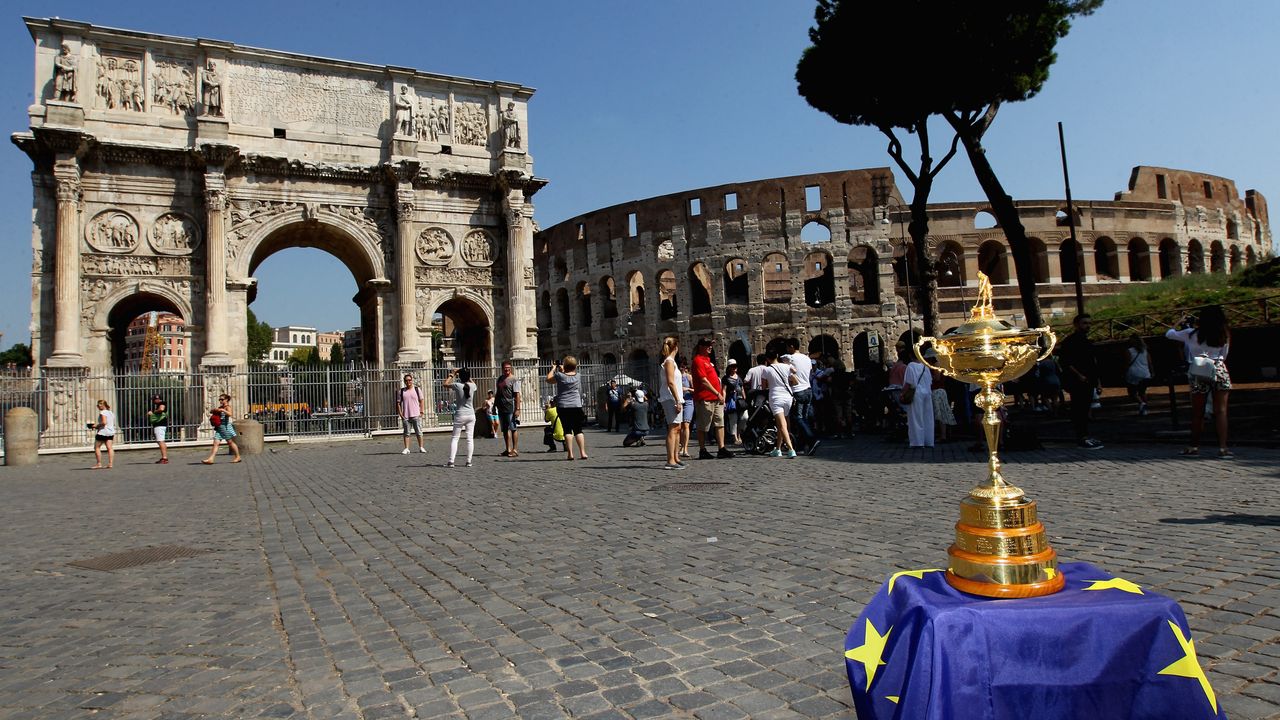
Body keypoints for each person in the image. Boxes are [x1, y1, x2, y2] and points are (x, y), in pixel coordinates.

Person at [1166, 306, 1233, 458]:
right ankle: (1223, 448)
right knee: (1221, 411)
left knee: (1198, 412)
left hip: (1198, 370)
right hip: (1219, 368)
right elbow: (1225, 354)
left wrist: (1179, 322)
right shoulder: (1224, 334)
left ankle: (1194, 446)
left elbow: (1169, 334)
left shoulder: (1191, 334)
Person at [1056, 314, 1104, 450]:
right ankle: (1081, 436)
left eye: (1089, 323)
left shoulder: (1088, 342)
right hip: (1077, 381)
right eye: (1084, 323)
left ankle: (1085, 435)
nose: (1088, 326)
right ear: (1076, 324)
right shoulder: (1070, 342)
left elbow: (1093, 363)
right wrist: (1079, 375)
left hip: (1089, 380)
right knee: (1079, 409)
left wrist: (1098, 382)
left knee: (1086, 408)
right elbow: (1066, 361)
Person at [691, 337, 734, 459]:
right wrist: (717, 393)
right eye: (707, 345)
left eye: (711, 345)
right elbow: (703, 381)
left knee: (720, 423)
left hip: (716, 398)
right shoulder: (698, 360)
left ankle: (721, 448)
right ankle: (702, 450)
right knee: (703, 426)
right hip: (706, 397)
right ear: (700, 347)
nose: (710, 347)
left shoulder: (708, 360)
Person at [546, 356, 588, 460]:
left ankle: (570, 454)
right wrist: (563, 369)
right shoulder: (578, 375)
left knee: (567, 430)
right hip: (576, 405)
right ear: (575, 366)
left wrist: (553, 368)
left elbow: (548, 379)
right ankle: (583, 453)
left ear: (565, 365)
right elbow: (569, 375)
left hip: (563, 406)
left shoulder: (560, 376)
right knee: (578, 430)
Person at [657, 336, 686, 470]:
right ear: (676, 347)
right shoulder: (669, 362)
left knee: (677, 428)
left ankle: (676, 457)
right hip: (670, 398)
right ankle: (670, 460)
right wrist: (677, 400)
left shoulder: (671, 362)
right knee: (673, 428)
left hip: (675, 398)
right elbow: (670, 382)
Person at [785, 339, 818, 455]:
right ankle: (804, 445)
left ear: (792, 347)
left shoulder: (791, 359)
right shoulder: (807, 358)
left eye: (788, 347)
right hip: (808, 389)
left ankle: (812, 439)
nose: (787, 350)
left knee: (798, 418)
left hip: (798, 391)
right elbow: (809, 373)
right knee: (804, 418)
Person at [763, 352, 798, 458]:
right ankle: (777, 449)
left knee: (782, 425)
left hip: (776, 398)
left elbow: (764, 387)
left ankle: (791, 449)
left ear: (767, 359)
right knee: (780, 425)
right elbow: (795, 378)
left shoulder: (767, 370)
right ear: (777, 356)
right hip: (788, 397)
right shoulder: (786, 367)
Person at [443, 368, 477, 467]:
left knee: (455, 438)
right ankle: (469, 461)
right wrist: (466, 374)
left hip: (460, 414)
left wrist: (452, 374)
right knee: (470, 439)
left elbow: (445, 384)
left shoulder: (457, 385)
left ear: (460, 377)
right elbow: (471, 382)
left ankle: (451, 461)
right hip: (471, 414)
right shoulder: (473, 386)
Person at [903, 348, 935, 448]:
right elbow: (930, 381)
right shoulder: (926, 366)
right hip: (927, 392)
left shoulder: (911, 366)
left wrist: (903, 393)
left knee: (916, 418)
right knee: (928, 418)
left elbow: (909, 382)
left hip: (916, 393)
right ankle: (929, 441)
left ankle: (917, 442)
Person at [203, 393, 242, 464]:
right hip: (219, 427)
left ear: (226, 400)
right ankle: (211, 459)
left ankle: (238, 456)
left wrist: (223, 410)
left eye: (222, 399)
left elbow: (230, 414)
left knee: (230, 442)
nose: (220, 401)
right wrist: (214, 410)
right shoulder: (220, 407)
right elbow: (212, 412)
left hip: (225, 427)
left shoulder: (227, 407)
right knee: (216, 443)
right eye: (219, 399)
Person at [495, 361, 522, 457]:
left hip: (511, 407)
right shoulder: (499, 379)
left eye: (509, 368)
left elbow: (517, 395)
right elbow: (497, 393)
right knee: (505, 430)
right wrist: (494, 405)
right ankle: (508, 449)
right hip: (501, 407)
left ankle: (515, 449)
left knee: (513, 428)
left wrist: (518, 409)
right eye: (505, 368)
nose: (507, 369)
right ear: (502, 368)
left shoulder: (514, 379)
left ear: (511, 368)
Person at [396, 374, 427, 455]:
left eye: (409, 380)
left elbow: (422, 400)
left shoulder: (417, 389)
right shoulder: (401, 391)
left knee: (419, 432)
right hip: (406, 415)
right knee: (406, 433)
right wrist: (400, 414)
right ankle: (406, 448)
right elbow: (398, 403)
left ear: (412, 380)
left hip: (416, 414)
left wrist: (421, 411)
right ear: (404, 381)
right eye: (406, 380)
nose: (408, 382)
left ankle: (421, 447)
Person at [1125, 334, 1153, 416]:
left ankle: (1141, 403)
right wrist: (1152, 372)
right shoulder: (1145, 351)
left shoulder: (1129, 351)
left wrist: (1125, 372)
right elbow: (1150, 363)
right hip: (1145, 373)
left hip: (1133, 373)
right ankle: (1145, 409)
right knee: (1142, 392)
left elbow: (1127, 363)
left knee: (1132, 392)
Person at [721, 359, 745, 446]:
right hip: (731, 400)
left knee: (744, 418)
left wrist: (744, 397)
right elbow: (723, 390)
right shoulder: (725, 378)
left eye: (735, 366)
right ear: (729, 367)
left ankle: (739, 434)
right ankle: (735, 437)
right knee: (733, 419)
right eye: (733, 366)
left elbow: (742, 388)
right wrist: (723, 401)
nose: (735, 368)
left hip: (740, 400)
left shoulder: (739, 377)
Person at [90, 399, 115, 469]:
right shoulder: (111, 413)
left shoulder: (103, 412)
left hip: (103, 432)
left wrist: (96, 426)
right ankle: (110, 463)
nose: (98, 407)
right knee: (109, 448)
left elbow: (104, 422)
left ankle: (99, 463)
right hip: (110, 432)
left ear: (103, 405)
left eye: (98, 405)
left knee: (97, 447)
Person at [678, 357, 694, 459]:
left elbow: (694, 389)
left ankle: (685, 448)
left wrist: (687, 388)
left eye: (683, 367)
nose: (682, 368)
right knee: (679, 427)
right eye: (680, 367)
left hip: (688, 401)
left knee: (686, 425)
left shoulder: (688, 377)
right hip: (679, 401)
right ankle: (680, 446)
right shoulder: (676, 377)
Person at [147, 394, 169, 464]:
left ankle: (164, 458)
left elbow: (161, 409)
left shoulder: (162, 403)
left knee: (160, 441)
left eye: (154, 399)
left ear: (157, 399)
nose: (153, 401)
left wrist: (152, 413)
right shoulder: (160, 404)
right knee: (160, 441)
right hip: (159, 425)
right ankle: (164, 457)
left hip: (160, 425)